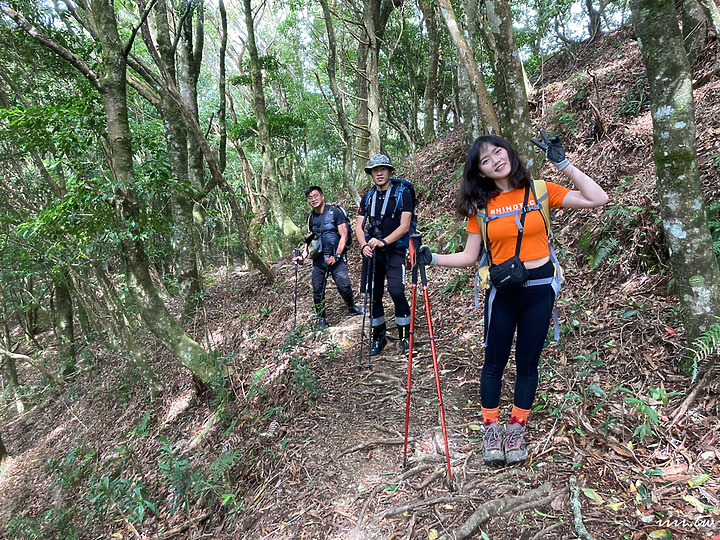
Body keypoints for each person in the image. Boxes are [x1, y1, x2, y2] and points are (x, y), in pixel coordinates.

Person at [417, 132, 608, 466]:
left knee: (527, 363)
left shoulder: (540, 190)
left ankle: (516, 428)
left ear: (509, 152)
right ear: (481, 173)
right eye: (485, 160)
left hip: (541, 288)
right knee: (494, 362)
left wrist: (564, 165)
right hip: (502, 292)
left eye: (498, 152)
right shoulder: (481, 207)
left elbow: (597, 198)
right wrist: (432, 259)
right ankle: (491, 429)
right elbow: (468, 256)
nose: (495, 160)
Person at [356, 154, 413, 355]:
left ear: (390, 171)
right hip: (372, 253)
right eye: (375, 170)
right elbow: (359, 226)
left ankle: (405, 335)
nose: (379, 173)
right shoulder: (368, 197)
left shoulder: (402, 194)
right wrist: (364, 245)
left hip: (395, 250)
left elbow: (405, 226)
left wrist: (383, 241)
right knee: (374, 295)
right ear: (371, 174)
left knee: (397, 291)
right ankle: (378, 338)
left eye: (383, 169)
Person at [293, 186, 363, 328]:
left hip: (335, 258)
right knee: (317, 290)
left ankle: (351, 306)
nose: (313, 199)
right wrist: (302, 257)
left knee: (345, 286)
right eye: (310, 197)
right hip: (319, 260)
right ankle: (322, 319)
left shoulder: (335, 212)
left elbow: (344, 235)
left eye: (315, 196)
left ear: (322, 196)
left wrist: (337, 255)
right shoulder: (311, 218)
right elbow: (310, 241)